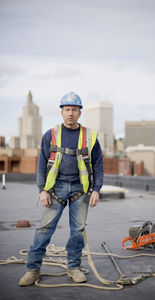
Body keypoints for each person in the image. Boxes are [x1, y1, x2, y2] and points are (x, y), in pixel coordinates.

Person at [19, 92, 104, 285]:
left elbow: (98, 164)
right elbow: (41, 163)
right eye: (67, 110)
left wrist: (96, 189)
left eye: (74, 109)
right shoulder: (51, 134)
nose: (71, 113)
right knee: (44, 229)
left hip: (80, 190)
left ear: (80, 113)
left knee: (77, 231)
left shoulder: (90, 137)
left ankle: (73, 268)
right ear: (61, 112)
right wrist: (42, 189)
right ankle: (32, 270)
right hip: (55, 189)